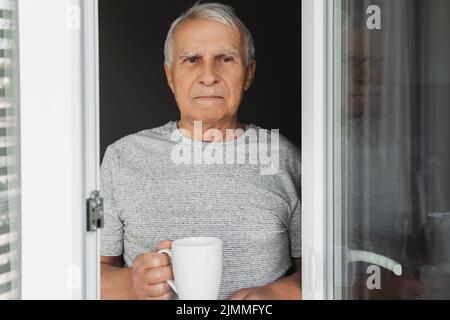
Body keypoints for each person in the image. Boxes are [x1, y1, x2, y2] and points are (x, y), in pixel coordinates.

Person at [100, 2, 301, 300]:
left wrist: (277, 295)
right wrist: (130, 285)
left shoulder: (286, 159)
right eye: (192, 59)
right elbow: (88, 272)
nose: (209, 76)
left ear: (248, 73)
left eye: (225, 58)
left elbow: (324, 270)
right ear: (170, 75)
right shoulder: (121, 159)